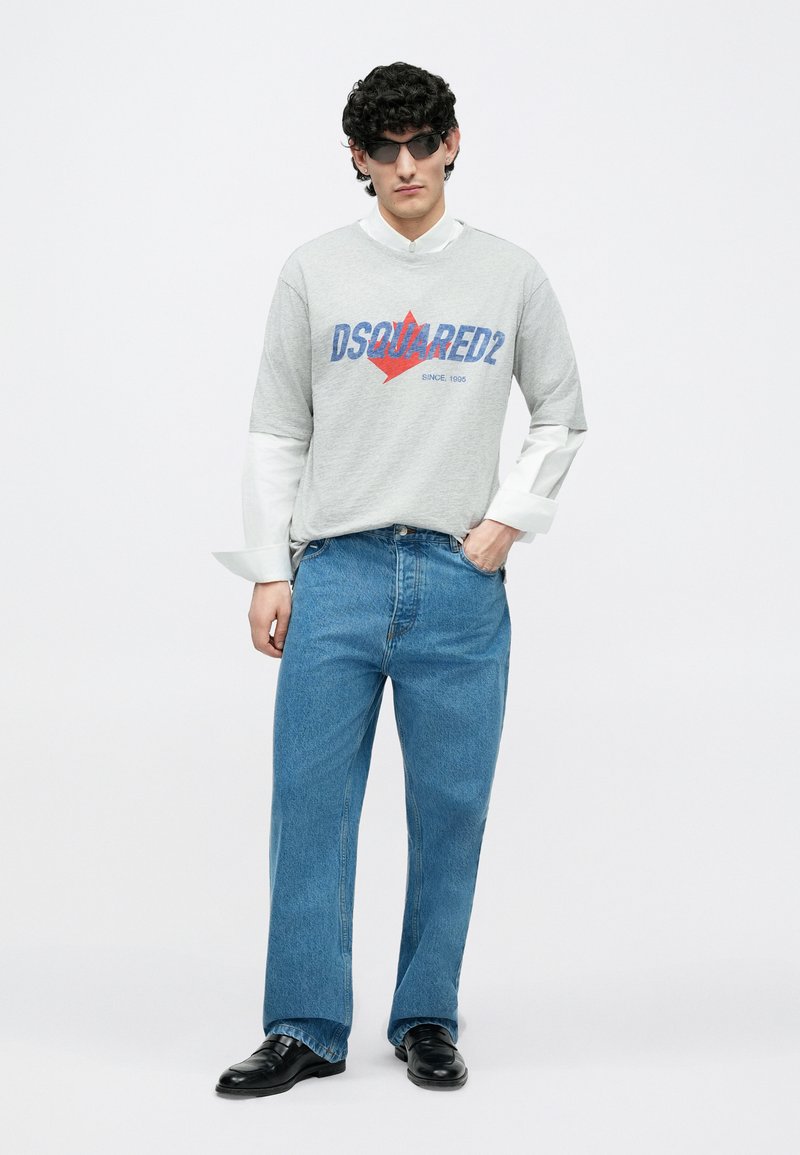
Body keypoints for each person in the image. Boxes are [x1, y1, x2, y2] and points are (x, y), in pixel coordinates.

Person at [212, 61, 588, 1096]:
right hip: (333, 571)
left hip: (456, 582)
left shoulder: (508, 274)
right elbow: (276, 428)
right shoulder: (314, 271)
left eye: (423, 143)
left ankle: (426, 1015)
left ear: (452, 143)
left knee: (451, 810)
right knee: (309, 806)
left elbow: (561, 413)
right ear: (358, 159)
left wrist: (506, 522)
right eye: (385, 150)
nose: (407, 165)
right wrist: (268, 570)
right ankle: (304, 1025)